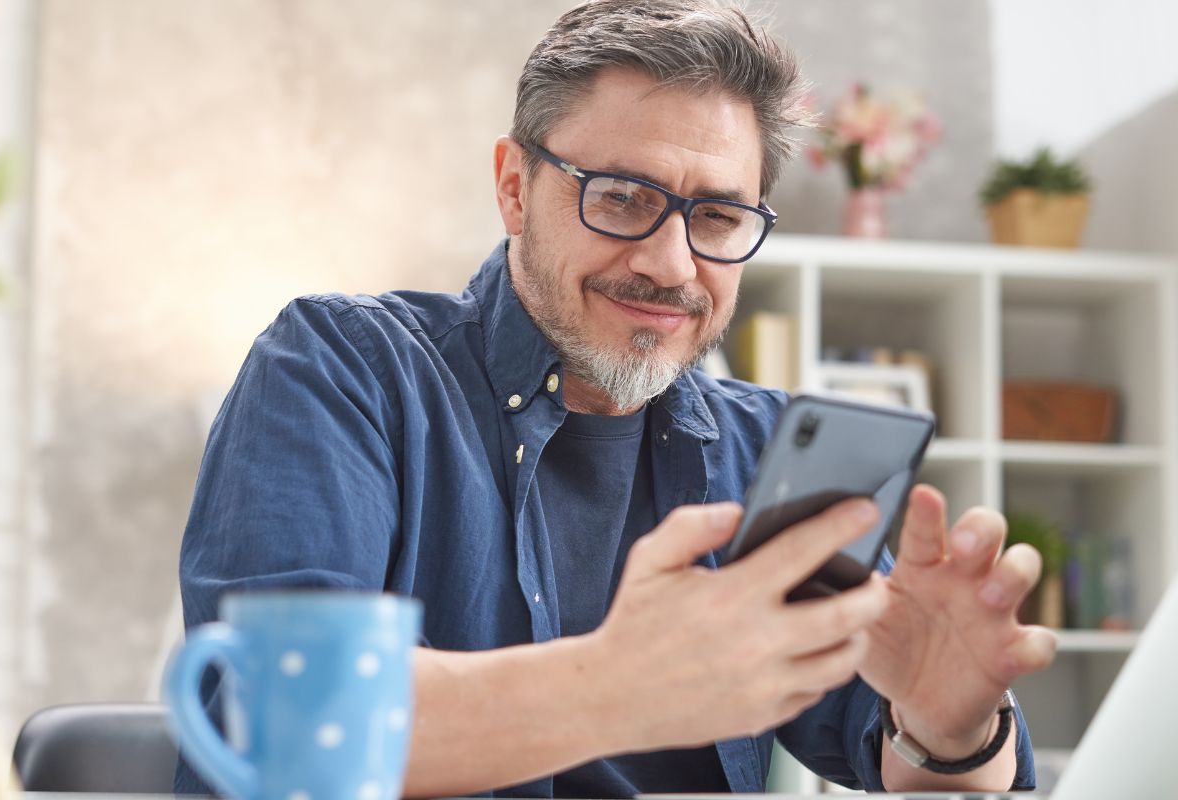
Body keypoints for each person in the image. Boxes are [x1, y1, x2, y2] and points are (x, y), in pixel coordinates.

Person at [178, 1, 1057, 796]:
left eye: (718, 218)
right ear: (515, 188)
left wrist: (949, 725)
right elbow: (283, 727)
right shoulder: (345, 368)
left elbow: (913, 760)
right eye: (623, 198)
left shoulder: (765, 447)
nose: (671, 265)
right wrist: (620, 686)